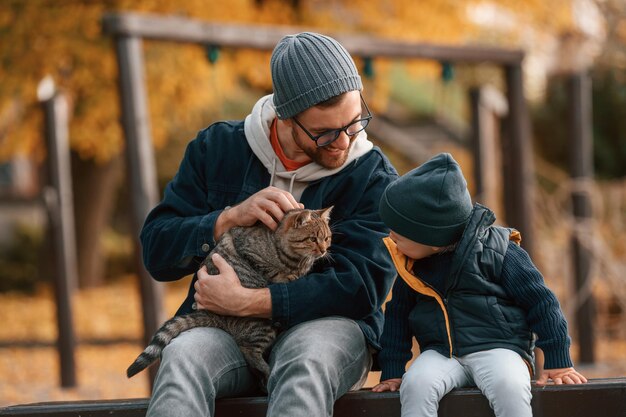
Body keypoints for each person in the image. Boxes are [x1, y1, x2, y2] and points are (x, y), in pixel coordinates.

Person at [139, 32, 399, 417]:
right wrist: (226, 219)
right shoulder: (218, 148)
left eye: (354, 122)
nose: (344, 142)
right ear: (285, 116)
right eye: (324, 133)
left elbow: (363, 285)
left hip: (327, 328)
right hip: (224, 327)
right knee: (181, 358)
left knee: (305, 364)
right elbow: (156, 251)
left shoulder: (373, 176)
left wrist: (252, 302)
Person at [371, 153, 587, 417]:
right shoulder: (412, 265)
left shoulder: (500, 252)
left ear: (433, 239)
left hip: (499, 347)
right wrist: (393, 371)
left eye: (399, 236)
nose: (391, 239)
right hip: (441, 353)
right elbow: (398, 316)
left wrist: (558, 360)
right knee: (416, 385)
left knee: (509, 385)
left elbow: (542, 303)